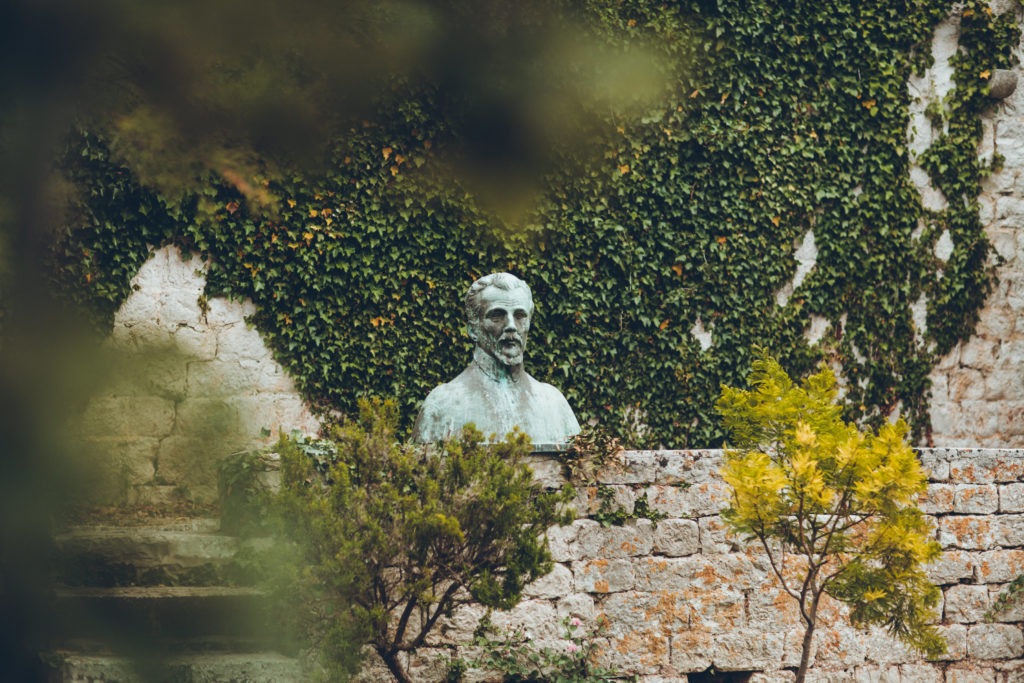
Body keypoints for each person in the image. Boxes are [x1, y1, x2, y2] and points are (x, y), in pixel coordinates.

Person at [411, 273, 580, 445]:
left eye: (520, 315)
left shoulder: (554, 404)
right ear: (473, 329)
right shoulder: (442, 405)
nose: (511, 326)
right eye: (497, 316)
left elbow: (583, 469)